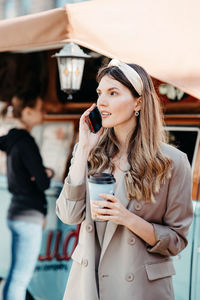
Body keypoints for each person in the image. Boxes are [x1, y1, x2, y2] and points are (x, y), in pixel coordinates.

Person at [56, 59, 193, 300]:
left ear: (138, 102)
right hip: (88, 286)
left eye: (113, 93)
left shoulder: (173, 161)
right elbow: (68, 215)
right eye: (100, 93)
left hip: (138, 288)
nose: (102, 102)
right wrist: (84, 149)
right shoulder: (90, 151)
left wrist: (127, 218)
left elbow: (177, 240)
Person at [0, 96, 53, 300]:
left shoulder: (13, 141)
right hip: (29, 214)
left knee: (15, 275)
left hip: (15, 212)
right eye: (41, 109)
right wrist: (46, 173)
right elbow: (43, 182)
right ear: (28, 112)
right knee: (20, 278)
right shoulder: (26, 142)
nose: (45, 113)